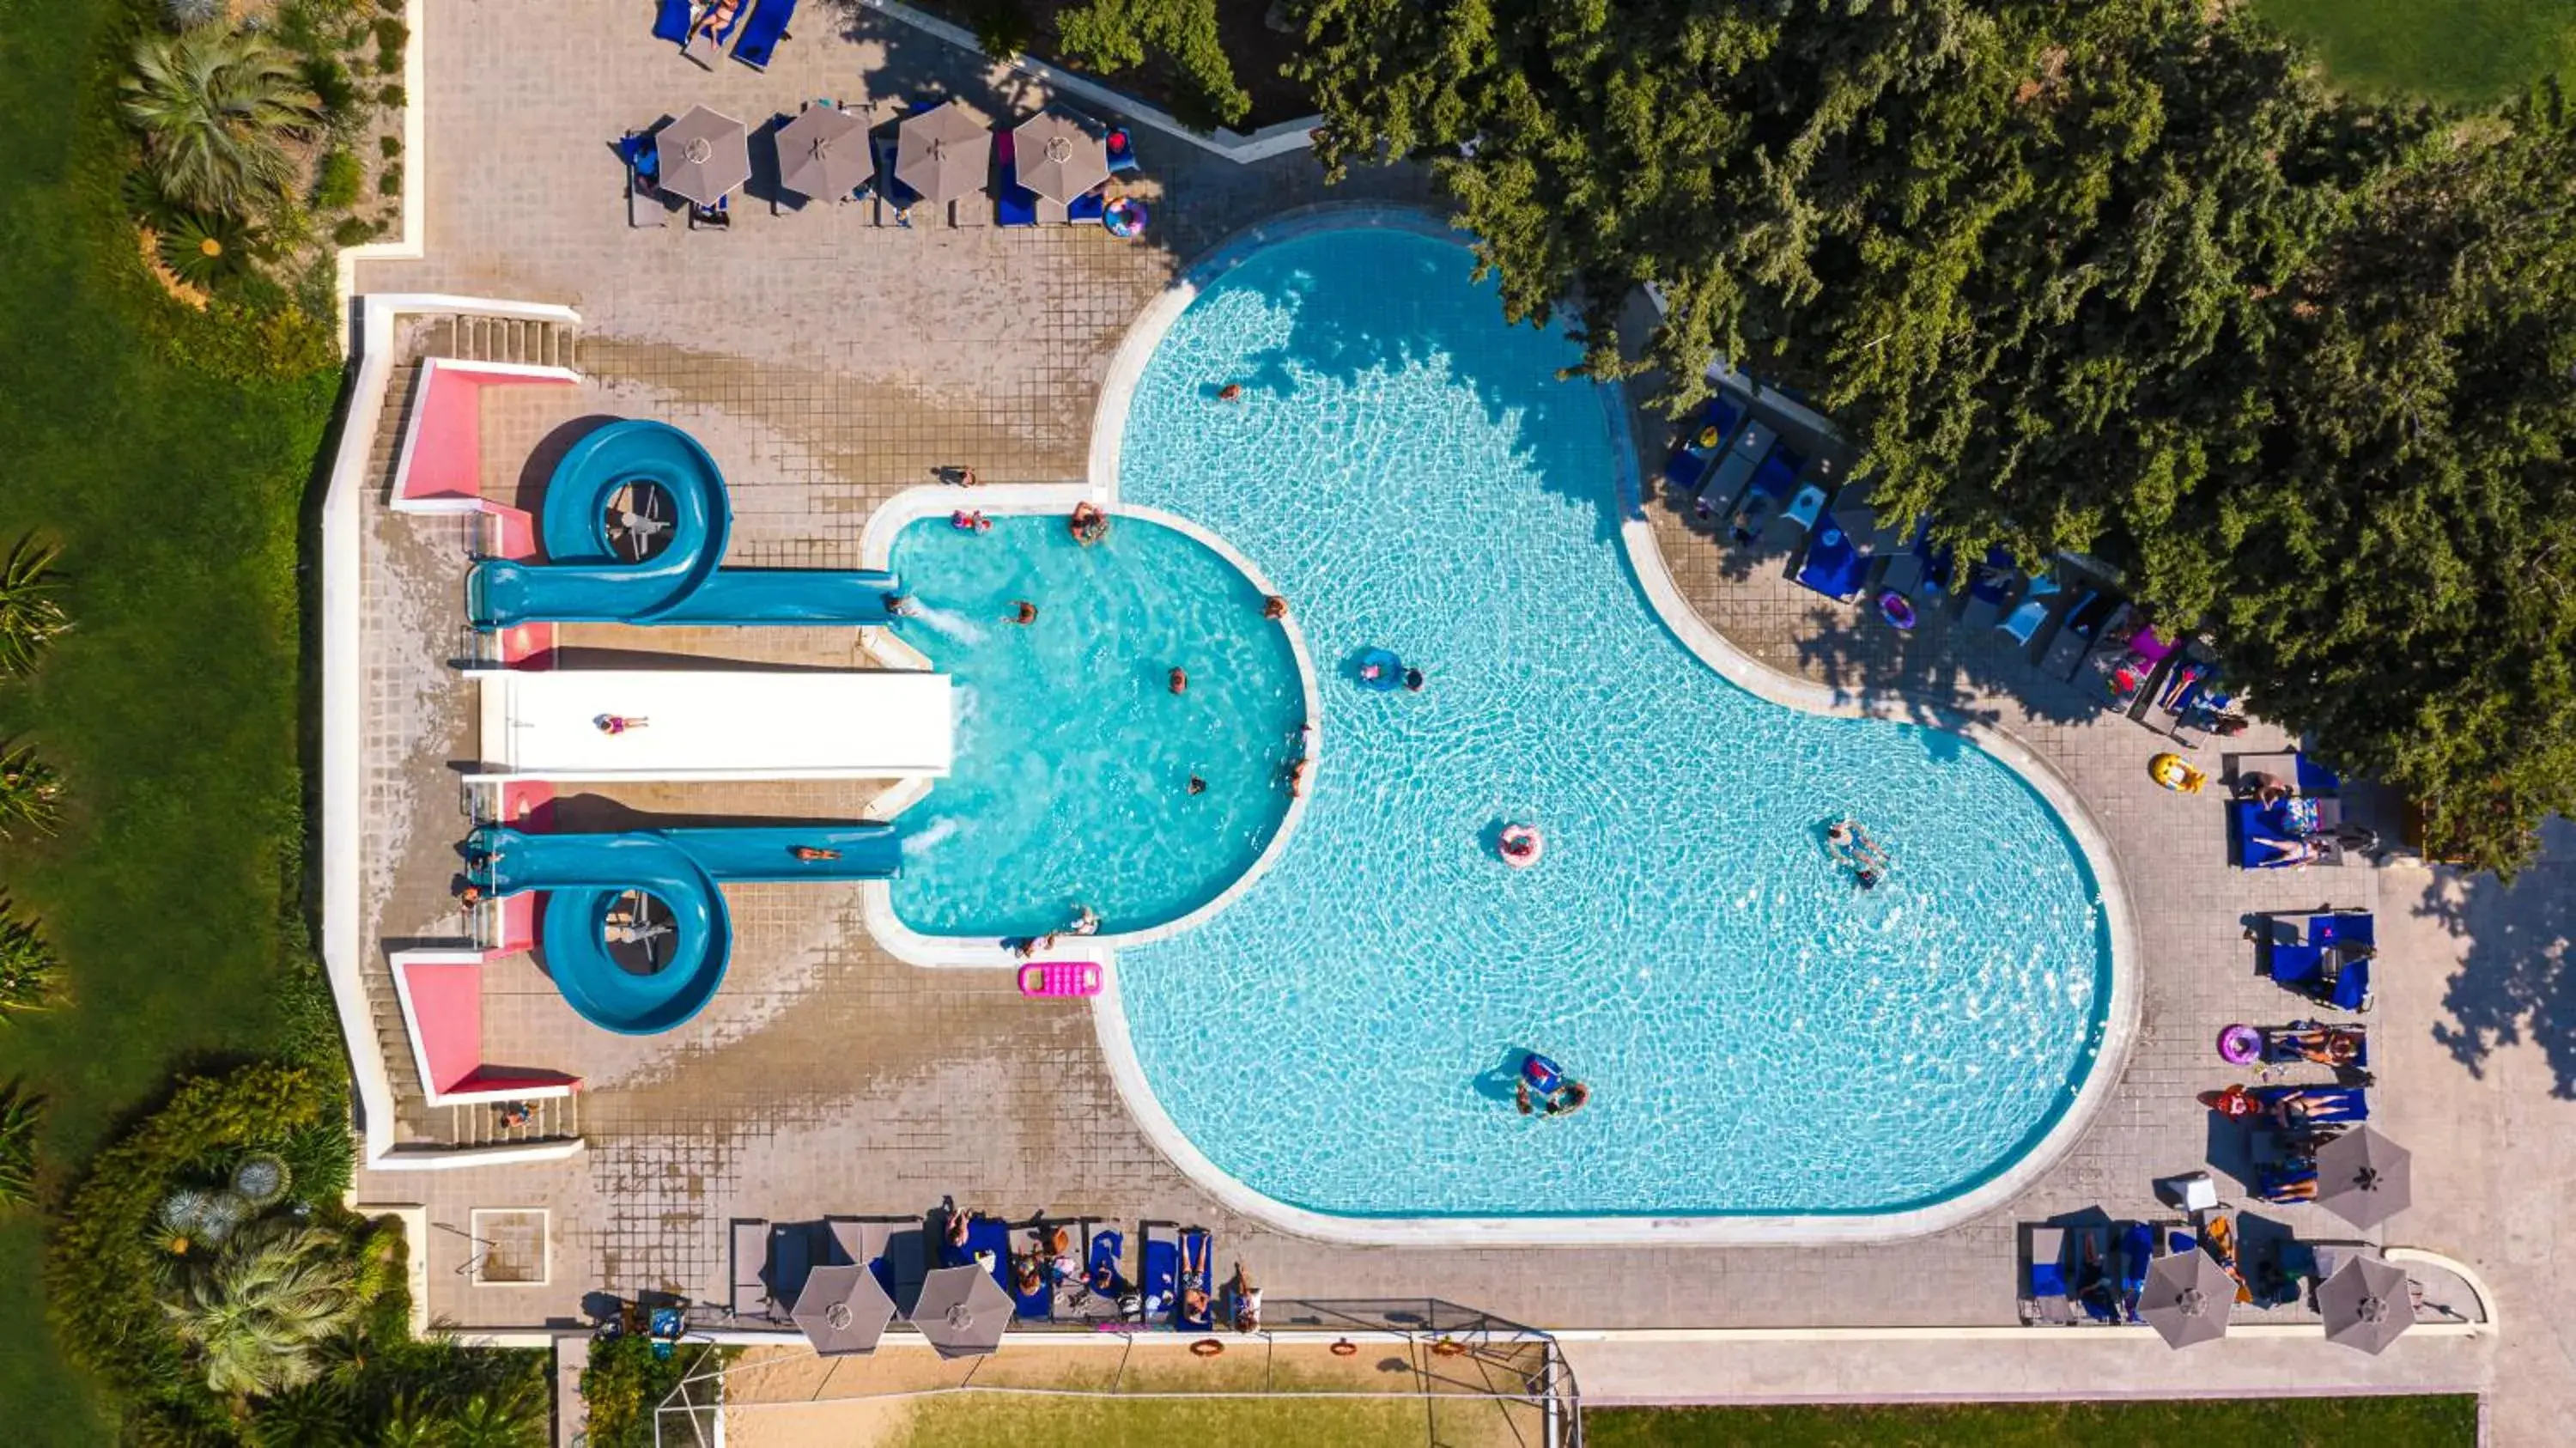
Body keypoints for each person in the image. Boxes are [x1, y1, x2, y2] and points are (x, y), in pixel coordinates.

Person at [1226, 1262, 1261, 1333]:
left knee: (1244, 1294)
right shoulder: (1252, 1322)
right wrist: (1250, 1312)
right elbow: (1253, 1312)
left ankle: (1242, 1276)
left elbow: (1238, 1313)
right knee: (1246, 1294)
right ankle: (1242, 1276)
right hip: (1246, 1306)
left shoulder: (1240, 1323)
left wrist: (1244, 1312)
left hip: (1241, 1307)